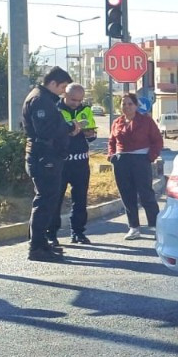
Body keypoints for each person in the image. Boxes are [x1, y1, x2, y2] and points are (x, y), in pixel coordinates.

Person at [22, 66, 84, 262]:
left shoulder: (46, 98)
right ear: (53, 83)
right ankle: (36, 247)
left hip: (47, 156)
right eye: (62, 87)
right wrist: (68, 128)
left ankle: (41, 244)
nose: (63, 91)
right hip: (44, 157)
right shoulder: (40, 100)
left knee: (47, 201)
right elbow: (45, 130)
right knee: (45, 201)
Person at [108, 93, 163, 241]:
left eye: (130, 104)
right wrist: (112, 156)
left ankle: (155, 225)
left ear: (136, 106)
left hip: (141, 160)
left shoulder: (146, 121)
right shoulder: (117, 122)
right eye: (123, 104)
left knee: (146, 194)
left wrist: (149, 157)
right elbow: (112, 141)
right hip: (122, 161)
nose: (126, 107)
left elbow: (157, 141)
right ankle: (133, 227)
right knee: (127, 195)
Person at [48, 83, 97, 245]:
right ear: (65, 95)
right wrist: (69, 132)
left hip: (81, 161)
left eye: (79, 100)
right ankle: (52, 234)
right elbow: (52, 134)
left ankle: (78, 233)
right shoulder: (56, 110)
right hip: (61, 162)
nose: (76, 103)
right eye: (73, 99)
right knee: (55, 199)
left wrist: (87, 132)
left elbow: (92, 133)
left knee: (80, 199)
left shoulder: (86, 110)